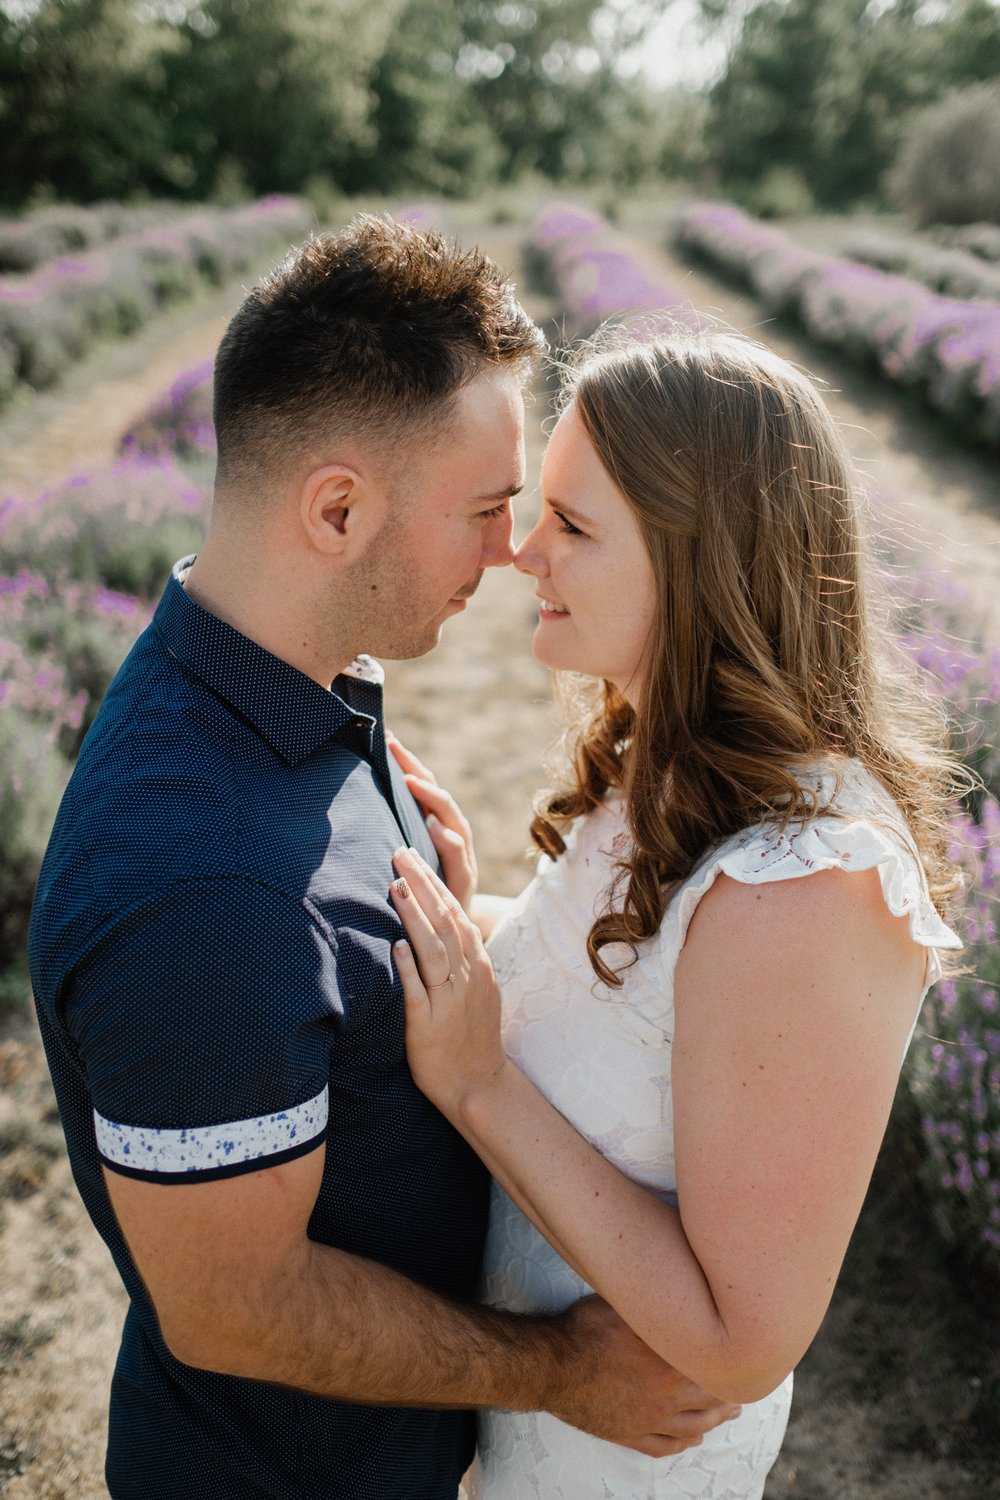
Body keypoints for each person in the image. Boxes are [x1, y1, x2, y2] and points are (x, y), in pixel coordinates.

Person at [27, 225, 740, 1500]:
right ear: (339, 509)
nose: (513, 551)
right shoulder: (203, 887)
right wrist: (560, 1371)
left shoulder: (286, 674)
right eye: (485, 510)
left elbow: (314, 991)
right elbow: (238, 1310)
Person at [387, 327, 964, 1500]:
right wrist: (474, 914)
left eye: (576, 527)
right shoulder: (670, 760)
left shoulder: (805, 886)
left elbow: (739, 1342)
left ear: (705, 567)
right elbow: (637, 1005)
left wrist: (477, 1082)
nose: (521, 552)